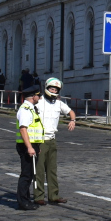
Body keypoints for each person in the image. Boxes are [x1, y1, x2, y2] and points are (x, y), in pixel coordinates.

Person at [34, 77, 76, 205]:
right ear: (46, 88)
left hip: (52, 140)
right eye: (52, 88)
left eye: (56, 89)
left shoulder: (59, 104)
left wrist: (73, 120)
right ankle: (39, 196)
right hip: (40, 139)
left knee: (52, 169)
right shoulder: (39, 102)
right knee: (39, 170)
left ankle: (54, 195)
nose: (54, 90)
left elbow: (71, 112)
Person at [15, 89, 44, 210]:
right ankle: (23, 202)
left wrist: (36, 146)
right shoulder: (25, 110)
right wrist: (29, 147)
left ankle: (25, 199)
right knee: (26, 174)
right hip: (26, 146)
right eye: (39, 95)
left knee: (30, 174)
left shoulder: (31, 108)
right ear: (33, 96)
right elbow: (23, 129)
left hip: (32, 145)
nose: (40, 98)